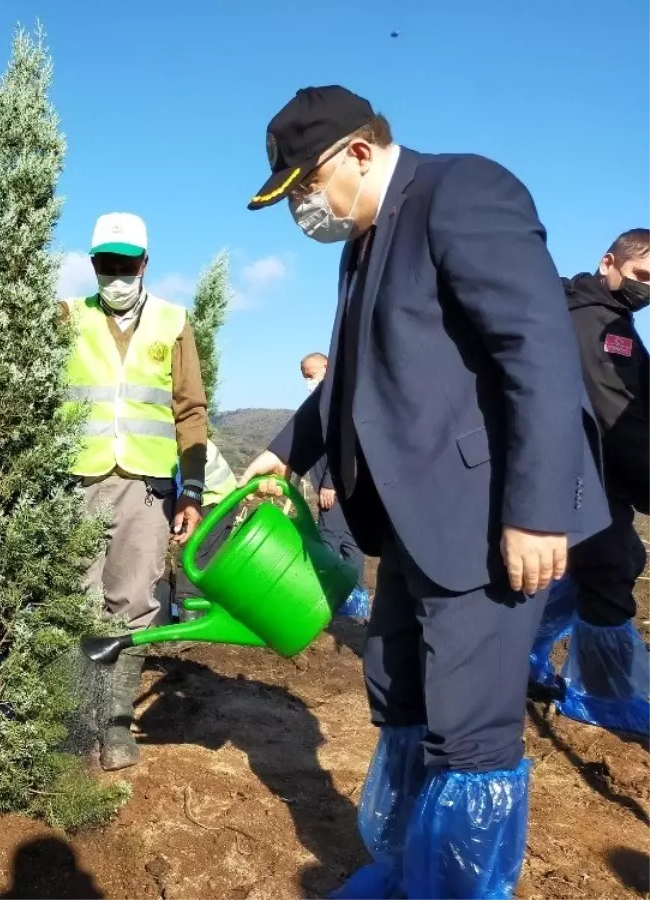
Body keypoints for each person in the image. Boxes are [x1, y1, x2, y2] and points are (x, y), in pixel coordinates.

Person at [239, 86, 607, 898]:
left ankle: (462, 887)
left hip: (486, 524)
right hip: (408, 524)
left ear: (359, 153)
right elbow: (348, 390)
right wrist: (281, 456)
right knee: (398, 689)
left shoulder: (462, 192)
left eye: (305, 185)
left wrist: (538, 510)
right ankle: (411, 869)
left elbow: (538, 348)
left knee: (469, 730)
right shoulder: (362, 246)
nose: (304, 207)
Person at [63, 212, 207, 771]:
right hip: (77, 482)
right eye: (105, 265)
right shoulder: (69, 316)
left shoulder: (173, 322)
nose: (116, 275)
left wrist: (189, 491)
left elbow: (190, 411)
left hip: (146, 489)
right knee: (76, 600)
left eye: (126, 265)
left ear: (145, 264)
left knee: (136, 603)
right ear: (93, 264)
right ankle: (78, 720)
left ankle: (116, 724)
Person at [528, 229, 650, 735]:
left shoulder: (607, 317)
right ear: (609, 263)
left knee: (597, 568)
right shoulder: (600, 328)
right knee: (609, 571)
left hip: (592, 480)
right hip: (586, 481)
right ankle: (604, 697)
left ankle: (523, 650)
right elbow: (617, 419)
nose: (647, 288)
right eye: (642, 276)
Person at [301, 352, 370, 618]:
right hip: (346, 488)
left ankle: (332, 604)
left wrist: (329, 482)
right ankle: (356, 606)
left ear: (326, 367)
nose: (308, 381)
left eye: (310, 375)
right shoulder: (332, 400)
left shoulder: (336, 402)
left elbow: (342, 445)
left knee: (330, 542)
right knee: (351, 542)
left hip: (335, 488)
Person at [171, 439, 238, 623]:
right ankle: (205, 616)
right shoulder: (181, 429)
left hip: (212, 499)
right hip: (223, 494)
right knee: (208, 561)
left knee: (192, 559)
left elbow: (176, 488)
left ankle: (190, 625)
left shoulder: (174, 441)